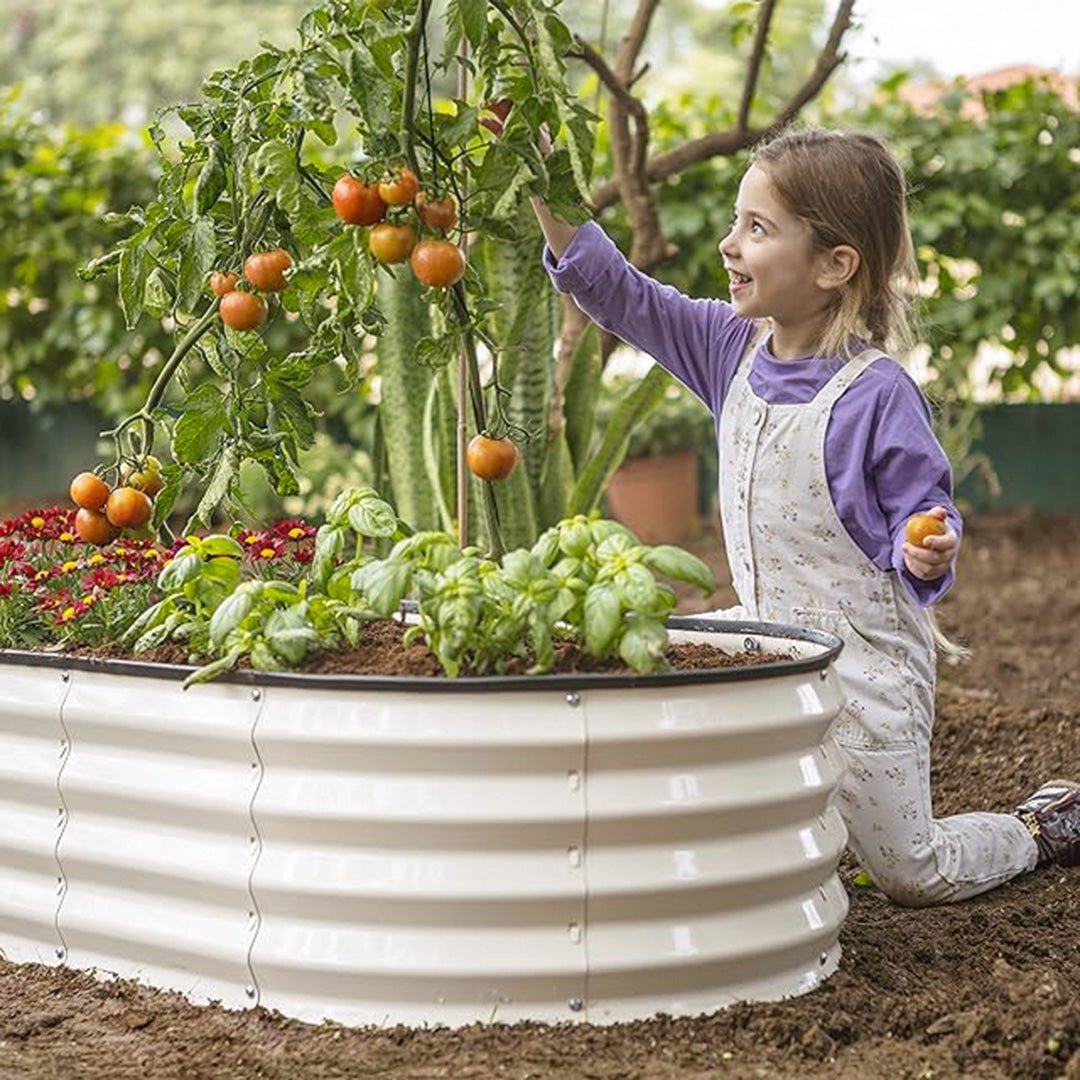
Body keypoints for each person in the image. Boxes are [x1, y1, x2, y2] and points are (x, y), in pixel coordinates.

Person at [532, 127, 1080, 905]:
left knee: (908, 872)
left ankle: (1038, 829)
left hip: (862, 670)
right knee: (639, 660)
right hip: (764, 637)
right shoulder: (730, 349)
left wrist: (926, 546)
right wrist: (545, 172)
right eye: (736, 221)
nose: (729, 244)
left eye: (757, 229)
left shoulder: (876, 393)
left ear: (834, 264)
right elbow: (617, 290)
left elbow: (924, 512)